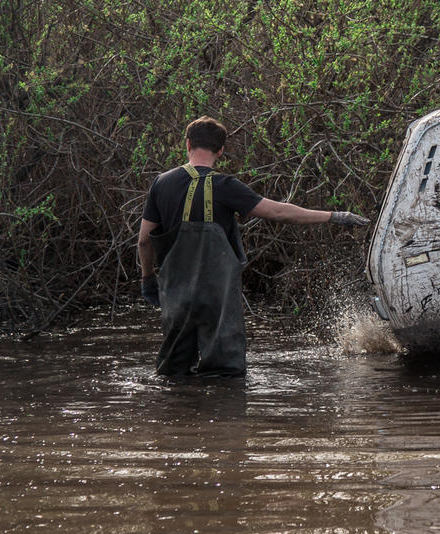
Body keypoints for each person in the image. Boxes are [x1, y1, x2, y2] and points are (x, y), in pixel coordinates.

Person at [136, 116, 370, 377]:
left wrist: (148, 279)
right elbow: (279, 212)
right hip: (219, 296)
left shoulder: (162, 183)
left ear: (187, 144)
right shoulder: (226, 186)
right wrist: (333, 216)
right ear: (221, 150)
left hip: (176, 294)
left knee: (172, 374)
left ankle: (179, 414)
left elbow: (145, 239)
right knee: (226, 375)